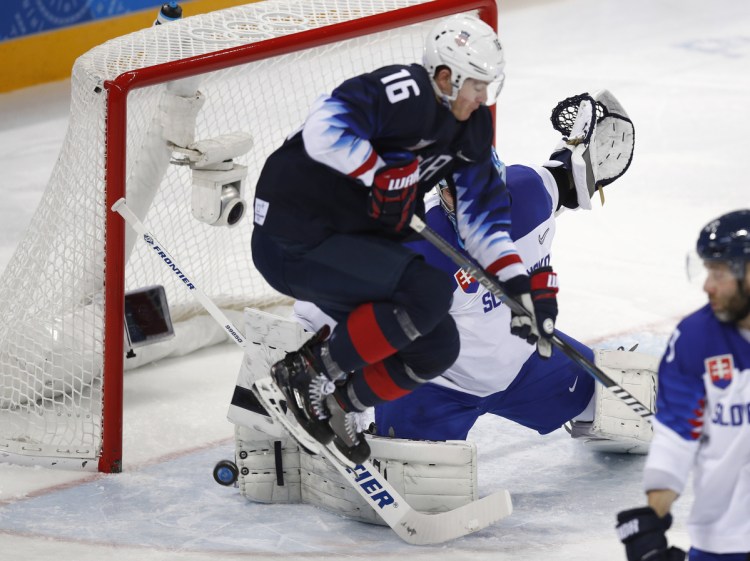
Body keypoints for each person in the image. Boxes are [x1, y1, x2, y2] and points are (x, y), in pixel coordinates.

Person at [250, 14, 560, 463]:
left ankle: (338, 405)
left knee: (439, 347)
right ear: (445, 76)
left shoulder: (471, 130)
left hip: (342, 244)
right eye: (476, 83)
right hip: (291, 233)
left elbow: (485, 226)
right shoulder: (403, 92)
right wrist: (378, 176)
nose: (483, 96)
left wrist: (519, 290)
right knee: (428, 289)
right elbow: (323, 128)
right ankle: (309, 373)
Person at [616, 210, 750, 561]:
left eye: (718, 273)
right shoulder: (694, 338)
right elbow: (676, 435)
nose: (707, 285)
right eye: (707, 271)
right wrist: (653, 520)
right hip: (724, 538)